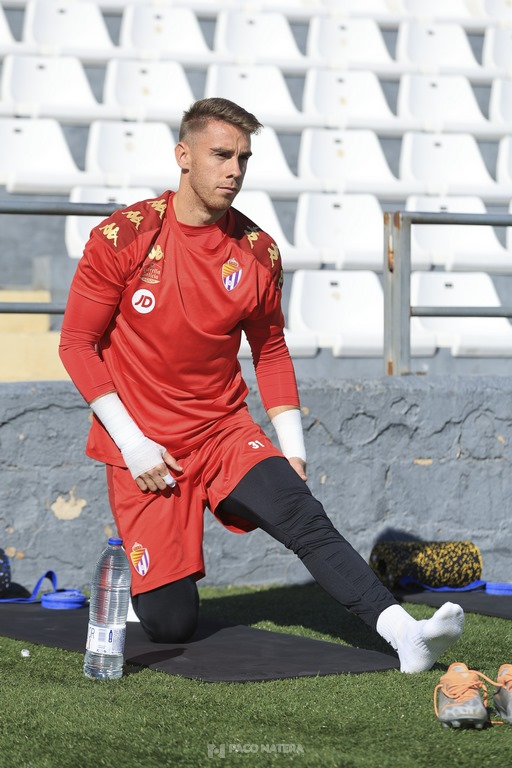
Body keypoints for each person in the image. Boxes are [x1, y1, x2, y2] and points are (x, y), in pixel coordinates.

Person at [59, 97, 464, 673]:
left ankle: (406, 634)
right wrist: (131, 442)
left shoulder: (257, 251)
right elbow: (76, 344)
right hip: (146, 448)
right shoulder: (123, 236)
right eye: (221, 155)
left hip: (222, 432)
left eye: (243, 158)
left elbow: (270, 350)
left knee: (301, 514)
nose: (234, 171)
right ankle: (146, 587)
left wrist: (292, 448)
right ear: (183, 155)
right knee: (171, 621)